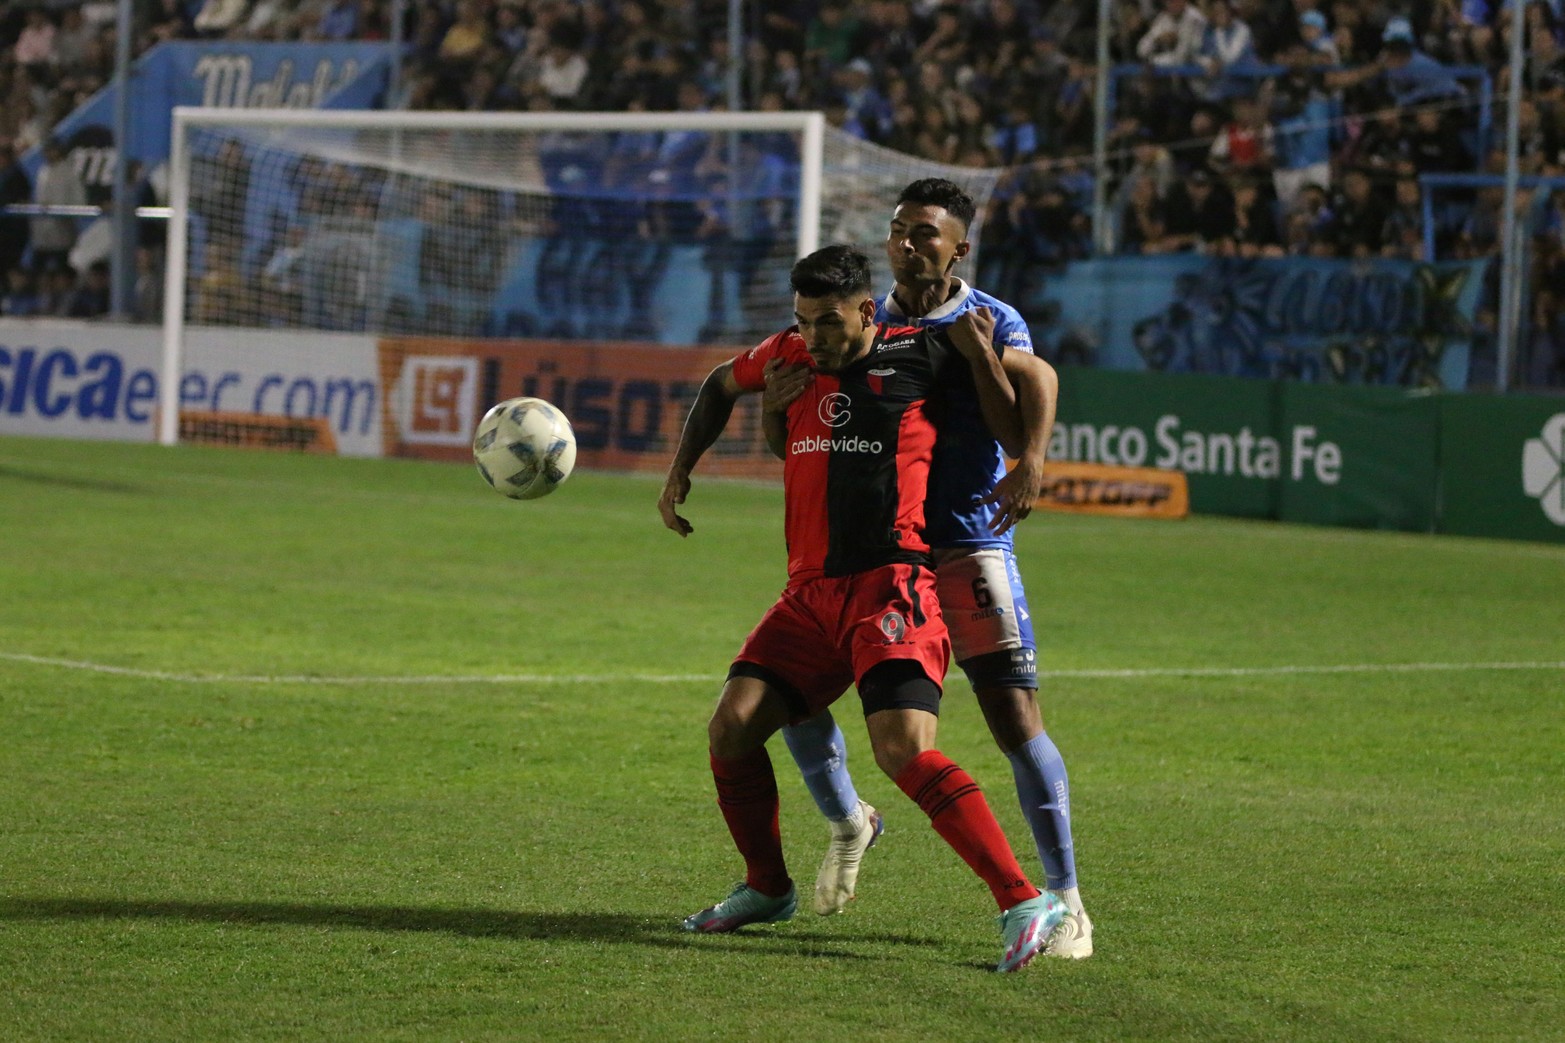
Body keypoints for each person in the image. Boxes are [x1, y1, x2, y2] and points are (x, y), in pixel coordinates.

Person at [659, 180, 1093, 960]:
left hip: (950, 549)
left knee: (997, 721)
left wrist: (1031, 456)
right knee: (741, 722)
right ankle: (805, 854)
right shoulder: (814, 343)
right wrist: (689, 464)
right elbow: (735, 389)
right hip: (814, 585)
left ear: (956, 245)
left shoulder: (960, 330)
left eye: (924, 232)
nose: (908, 241)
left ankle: (1053, 897)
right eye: (898, 229)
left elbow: (1035, 381)